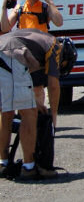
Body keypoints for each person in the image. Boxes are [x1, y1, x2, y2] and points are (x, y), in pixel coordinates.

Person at [0, 29, 76, 180]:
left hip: (3, 48)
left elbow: (30, 80)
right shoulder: (54, 45)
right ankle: (29, 167)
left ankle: (3, 163)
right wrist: (54, 115)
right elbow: (53, 85)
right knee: (29, 114)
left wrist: (35, 101)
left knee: (6, 112)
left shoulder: (38, 44)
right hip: (13, 52)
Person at [1, 0, 64, 125]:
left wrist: (50, 2)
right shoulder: (19, 9)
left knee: (37, 88)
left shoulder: (44, 7)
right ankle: (30, 118)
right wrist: (4, 8)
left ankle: (41, 120)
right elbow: (5, 28)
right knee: (22, 87)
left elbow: (58, 22)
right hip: (23, 52)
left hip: (41, 51)